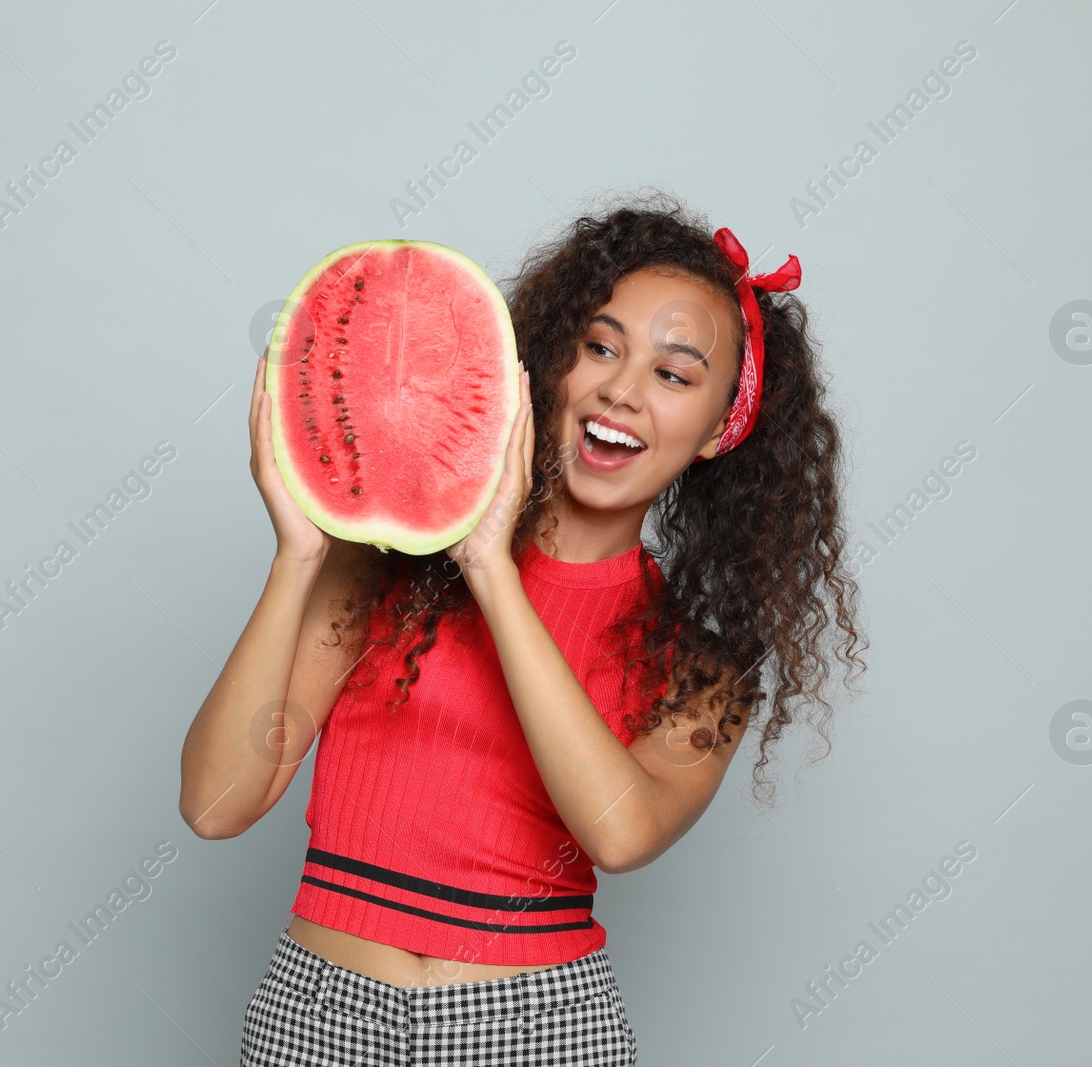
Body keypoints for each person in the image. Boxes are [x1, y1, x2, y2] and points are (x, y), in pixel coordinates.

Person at [180, 193, 869, 1065]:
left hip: (537, 1027)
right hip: (319, 1012)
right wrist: (300, 553)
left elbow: (621, 833)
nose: (621, 389)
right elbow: (213, 803)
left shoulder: (703, 669)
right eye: (601, 346)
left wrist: (491, 568)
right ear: (552, 359)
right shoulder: (385, 560)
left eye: (674, 373)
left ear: (717, 428)